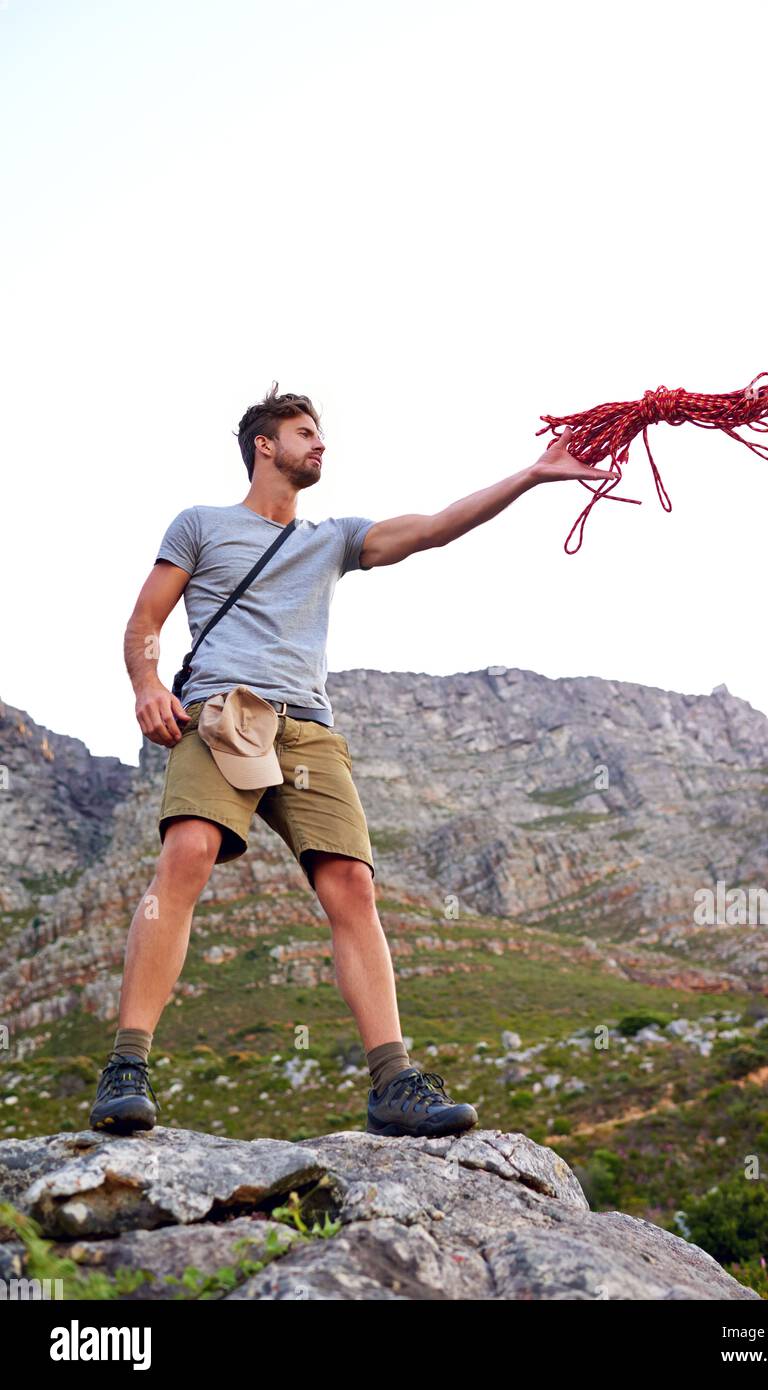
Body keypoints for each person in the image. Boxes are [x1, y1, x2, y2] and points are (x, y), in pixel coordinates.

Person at [89, 383, 617, 1139]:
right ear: (265, 446)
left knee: (353, 889)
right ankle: (127, 1066)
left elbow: (434, 528)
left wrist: (531, 476)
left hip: (307, 730)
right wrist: (147, 685)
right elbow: (145, 619)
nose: (320, 443)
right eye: (305, 432)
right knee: (188, 851)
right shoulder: (201, 525)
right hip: (224, 716)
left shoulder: (332, 538)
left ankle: (394, 1083)